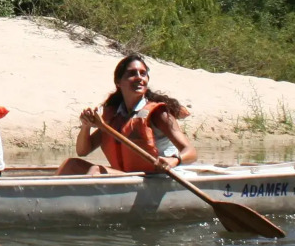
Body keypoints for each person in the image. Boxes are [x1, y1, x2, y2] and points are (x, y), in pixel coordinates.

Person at [58, 54, 196, 175]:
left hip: (157, 176)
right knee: (70, 165)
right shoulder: (114, 116)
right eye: (132, 74)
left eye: (143, 73)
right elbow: (83, 151)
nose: (139, 78)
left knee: (96, 171)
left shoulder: (159, 114)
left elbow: (191, 152)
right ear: (118, 82)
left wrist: (174, 160)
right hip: (128, 175)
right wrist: (86, 127)